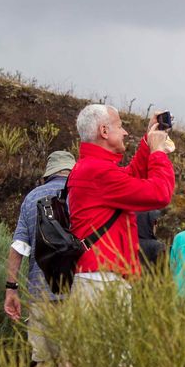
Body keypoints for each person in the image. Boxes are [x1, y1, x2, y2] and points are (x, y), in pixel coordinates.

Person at [67, 104, 175, 302]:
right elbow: (160, 194)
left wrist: (148, 139)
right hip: (101, 280)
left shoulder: (93, 168)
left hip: (99, 276)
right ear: (104, 131)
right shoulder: (98, 172)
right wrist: (158, 151)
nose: (125, 132)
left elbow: (131, 175)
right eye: (120, 126)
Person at [3, 150, 76, 367]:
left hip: (39, 293)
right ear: (71, 169)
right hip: (74, 290)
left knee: (43, 360)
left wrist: (11, 288)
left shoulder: (32, 198)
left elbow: (18, 247)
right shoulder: (80, 193)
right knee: (70, 358)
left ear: (49, 172)